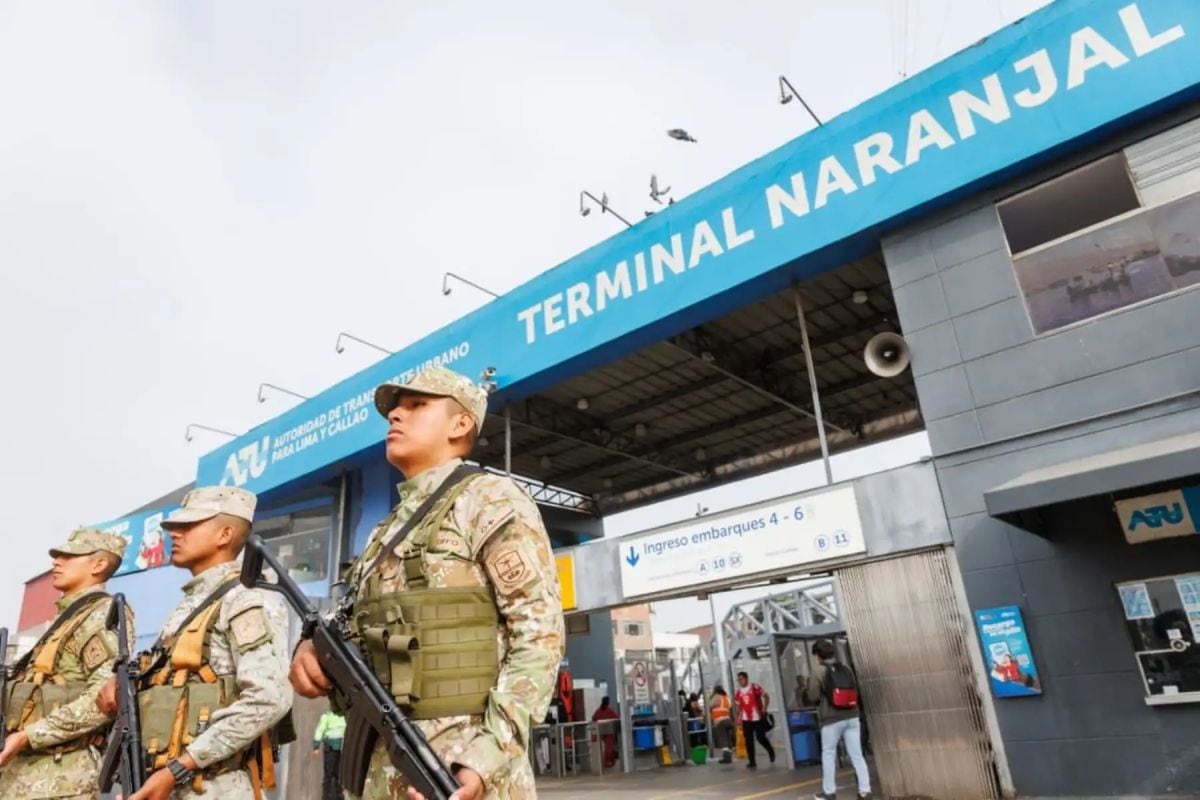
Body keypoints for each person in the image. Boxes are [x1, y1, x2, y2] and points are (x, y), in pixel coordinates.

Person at [289, 365, 565, 800]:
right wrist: (312, 652)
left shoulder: (489, 499)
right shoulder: (384, 533)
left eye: (416, 405)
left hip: (458, 773)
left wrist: (485, 757)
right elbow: (359, 638)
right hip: (380, 770)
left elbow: (539, 635)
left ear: (460, 423)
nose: (396, 415)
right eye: (394, 409)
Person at [99, 486, 294, 800]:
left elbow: (269, 698)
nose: (175, 533)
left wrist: (179, 769)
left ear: (225, 534)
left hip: (213, 787)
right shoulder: (191, 604)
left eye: (188, 526)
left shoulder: (246, 597)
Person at [0, 528, 132, 800]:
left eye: (70, 556)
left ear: (99, 564)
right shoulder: (69, 620)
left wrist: (28, 736)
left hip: (61, 778)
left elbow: (104, 699)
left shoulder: (101, 615)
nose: (56, 562)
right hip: (22, 774)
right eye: (58, 555)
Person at [802, 640, 871, 800]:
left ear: (818, 656)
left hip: (831, 718)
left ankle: (829, 793)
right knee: (857, 755)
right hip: (852, 716)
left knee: (828, 753)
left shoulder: (818, 671)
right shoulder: (845, 669)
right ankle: (865, 791)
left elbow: (813, 696)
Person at [733, 672, 774, 768]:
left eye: (741, 679)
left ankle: (770, 750)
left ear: (746, 679)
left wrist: (765, 707)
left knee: (760, 737)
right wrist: (737, 717)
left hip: (758, 717)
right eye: (738, 680)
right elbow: (738, 706)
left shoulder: (755, 687)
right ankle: (752, 761)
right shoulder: (738, 693)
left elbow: (766, 696)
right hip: (746, 719)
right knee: (748, 740)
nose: (740, 681)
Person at [313, 709, 347, 800]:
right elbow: (320, 730)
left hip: (340, 748)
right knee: (330, 774)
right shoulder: (327, 717)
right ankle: (326, 796)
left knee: (338, 774)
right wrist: (316, 746)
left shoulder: (344, 716)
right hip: (331, 748)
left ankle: (339, 795)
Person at [590, 696, 619, 768]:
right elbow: (616, 718)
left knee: (607, 747)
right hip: (609, 731)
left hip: (599, 730)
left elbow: (593, 718)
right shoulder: (609, 710)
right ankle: (607, 761)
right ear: (608, 702)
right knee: (609, 747)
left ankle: (611, 761)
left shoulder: (598, 710)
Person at [709, 686, 734, 764]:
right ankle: (729, 757)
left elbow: (709, 705)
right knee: (728, 739)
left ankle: (726, 758)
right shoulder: (725, 698)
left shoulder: (716, 697)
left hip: (720, 721)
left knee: (723, 739)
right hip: (728, 720)